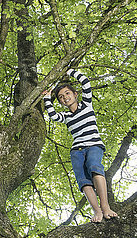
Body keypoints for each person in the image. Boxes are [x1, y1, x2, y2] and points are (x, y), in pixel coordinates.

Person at [43, 69, 118, 223]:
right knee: (83, 180)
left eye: (67, 94)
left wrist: (69, 70)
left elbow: (86, 82)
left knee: (94, 166)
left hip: (94, 145)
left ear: (75, 94)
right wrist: (47, 98)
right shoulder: (66, 116)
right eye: (61, 97)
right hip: (76, 151)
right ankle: (96, 211)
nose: (65, 98)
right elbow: (52, 115)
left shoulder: (87, 105)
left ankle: (105, 207)